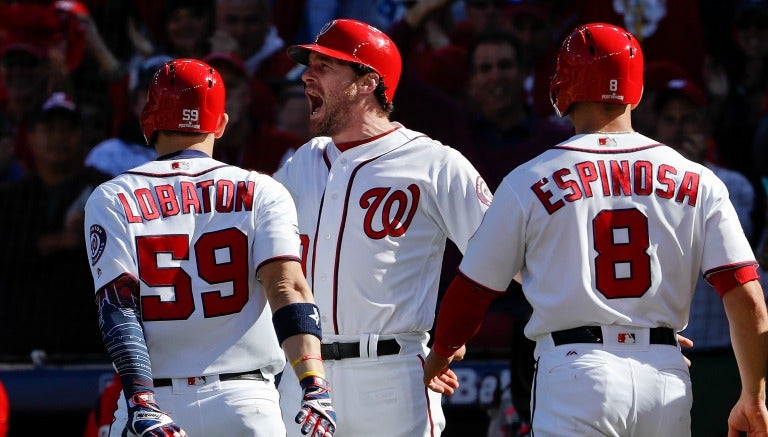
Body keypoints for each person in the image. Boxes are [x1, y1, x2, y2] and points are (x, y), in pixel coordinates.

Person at [423, 22, 768, 436]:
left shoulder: (529, 179)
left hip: (576, 373)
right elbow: (747, 296)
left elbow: (472, 290)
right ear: (635, 89)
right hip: (665, 372)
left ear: (563, 86)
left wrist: (439, 355)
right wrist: (754, 396)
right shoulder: (699, 179)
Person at [83, 58, 336, 437]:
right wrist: (313, 383)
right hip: (247, 401)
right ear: (220, 123)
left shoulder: (113, 195)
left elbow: (118, 307)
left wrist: (140, 400)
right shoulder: (262, 189)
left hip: (157, 396)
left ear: (148, 121)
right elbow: (288, 288)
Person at [273, 18, 490, 436]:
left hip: (392, 372)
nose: (306, 75)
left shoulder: (434, 162)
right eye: (310, 64)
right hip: (306, 374)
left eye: (325, 66)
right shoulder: (302, 161)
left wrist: (452, 335)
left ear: (368, 81)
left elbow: (503, 257)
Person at [0, 92, 111, 362]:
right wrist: (51, 243)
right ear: (30, 137)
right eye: (49, 129)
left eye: (68, 130)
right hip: (17, 345)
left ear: (83, 137)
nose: (58, 138)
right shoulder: (11, 197)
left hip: (88, 346)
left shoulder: (106, 192)